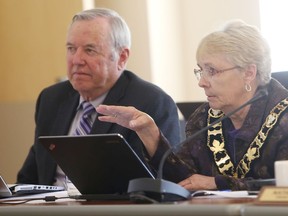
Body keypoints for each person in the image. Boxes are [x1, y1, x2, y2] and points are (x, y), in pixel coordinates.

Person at [96, 20, 288, 191]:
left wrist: (218, 183)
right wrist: (150, 133)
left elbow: (282, 185)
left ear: (248, 73)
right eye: (200, 71)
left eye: (212, 71)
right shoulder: (204, 118)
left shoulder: (284, 117)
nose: (202, 82)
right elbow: (184, 181)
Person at [17, 8, 180, 186]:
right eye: (71, 48)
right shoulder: (51, 99)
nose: (77, 60)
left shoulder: (151, 103)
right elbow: (29, 178)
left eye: (90, 50)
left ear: (122, 58)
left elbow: (164, 182)